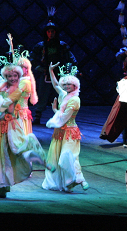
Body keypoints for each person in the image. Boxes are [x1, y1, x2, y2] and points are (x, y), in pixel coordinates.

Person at [0, 62, 49, 197]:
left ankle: (2, 186)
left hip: (7, 126)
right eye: (10, 76)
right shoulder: (3, 87)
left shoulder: (17, 90)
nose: (13, 78)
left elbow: (5, 106)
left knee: (4, 155)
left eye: (15, 75)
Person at [42, 62, 89, 192]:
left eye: (69, 84)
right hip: (60, 131)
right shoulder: (63, 95)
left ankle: (79, 179)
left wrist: (54, 115)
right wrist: (51, 71)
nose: (67, 86)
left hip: (69, 131)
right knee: (56, 158)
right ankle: (67, 183)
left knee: (67, 158)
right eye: (65, 84)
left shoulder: (75, 99)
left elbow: (63, 118)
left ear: (75, 85)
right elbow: (56, 85)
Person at [30, 7, 77, 125]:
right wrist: (40, 68)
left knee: (61, 95)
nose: (51, 34)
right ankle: (38, 117)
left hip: (59, 74)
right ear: (46, 33)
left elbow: (71, 58)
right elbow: (32, 58)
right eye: (49, 31)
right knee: (42, 94)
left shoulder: (62, 45)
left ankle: (62, 117)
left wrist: (70, 69)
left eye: (52, 31)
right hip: (46, 74)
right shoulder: (41, 46)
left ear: (55, 32)